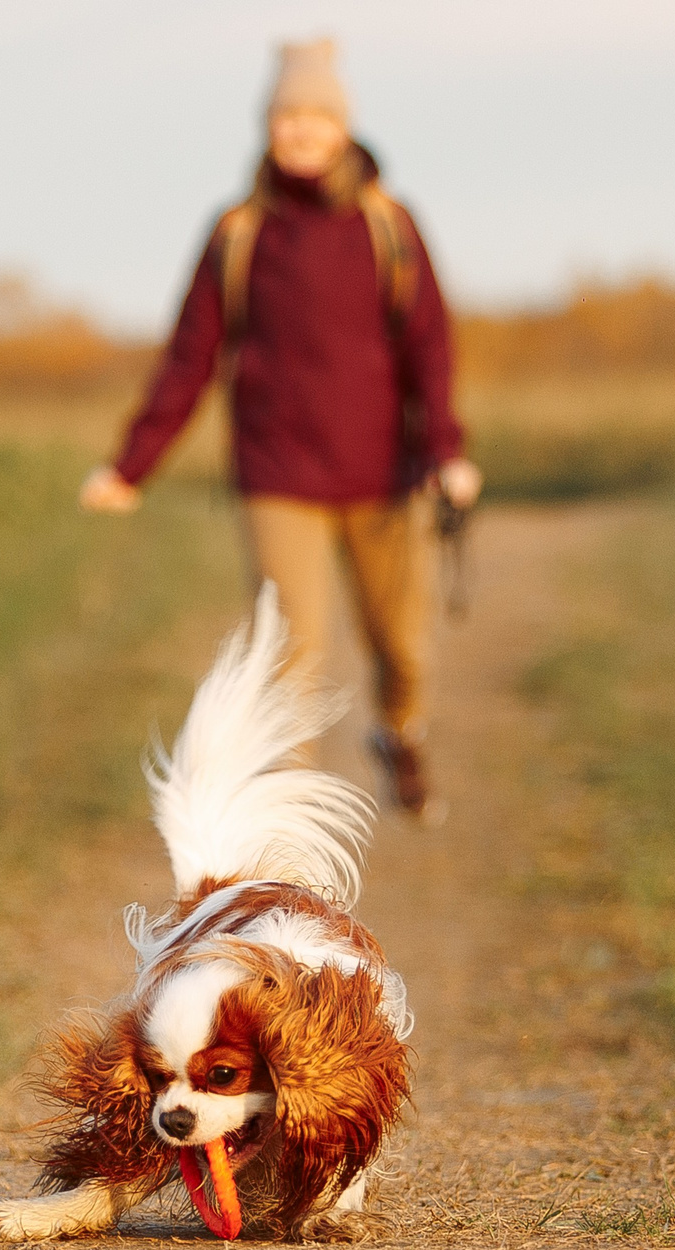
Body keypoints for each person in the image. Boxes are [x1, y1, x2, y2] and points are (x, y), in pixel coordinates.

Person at [80, 38, 481, 826]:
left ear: (342, 126)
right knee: (292, 660)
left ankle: (400, 733)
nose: (299, 131)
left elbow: (428, 348)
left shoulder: (389, 226)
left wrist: (447, 451)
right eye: (285, 116)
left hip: (385, 474)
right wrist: (131, 467)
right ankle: (287, 828)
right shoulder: (237, 233)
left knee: (401, 647)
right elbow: (189, 356)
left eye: (314, 116)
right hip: (278, 477)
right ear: (267, 126)